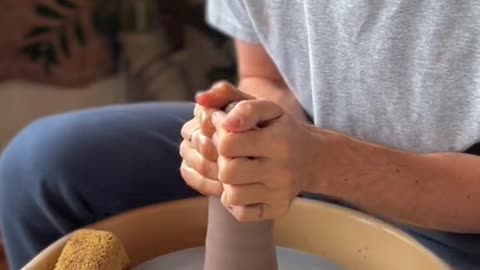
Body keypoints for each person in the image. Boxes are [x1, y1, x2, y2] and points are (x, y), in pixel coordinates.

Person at [1, 1, 480, 269]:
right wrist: (242, 129)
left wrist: (326, 163)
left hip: (457, 210)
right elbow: (263, 78)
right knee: (42, 168)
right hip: (308, 148)